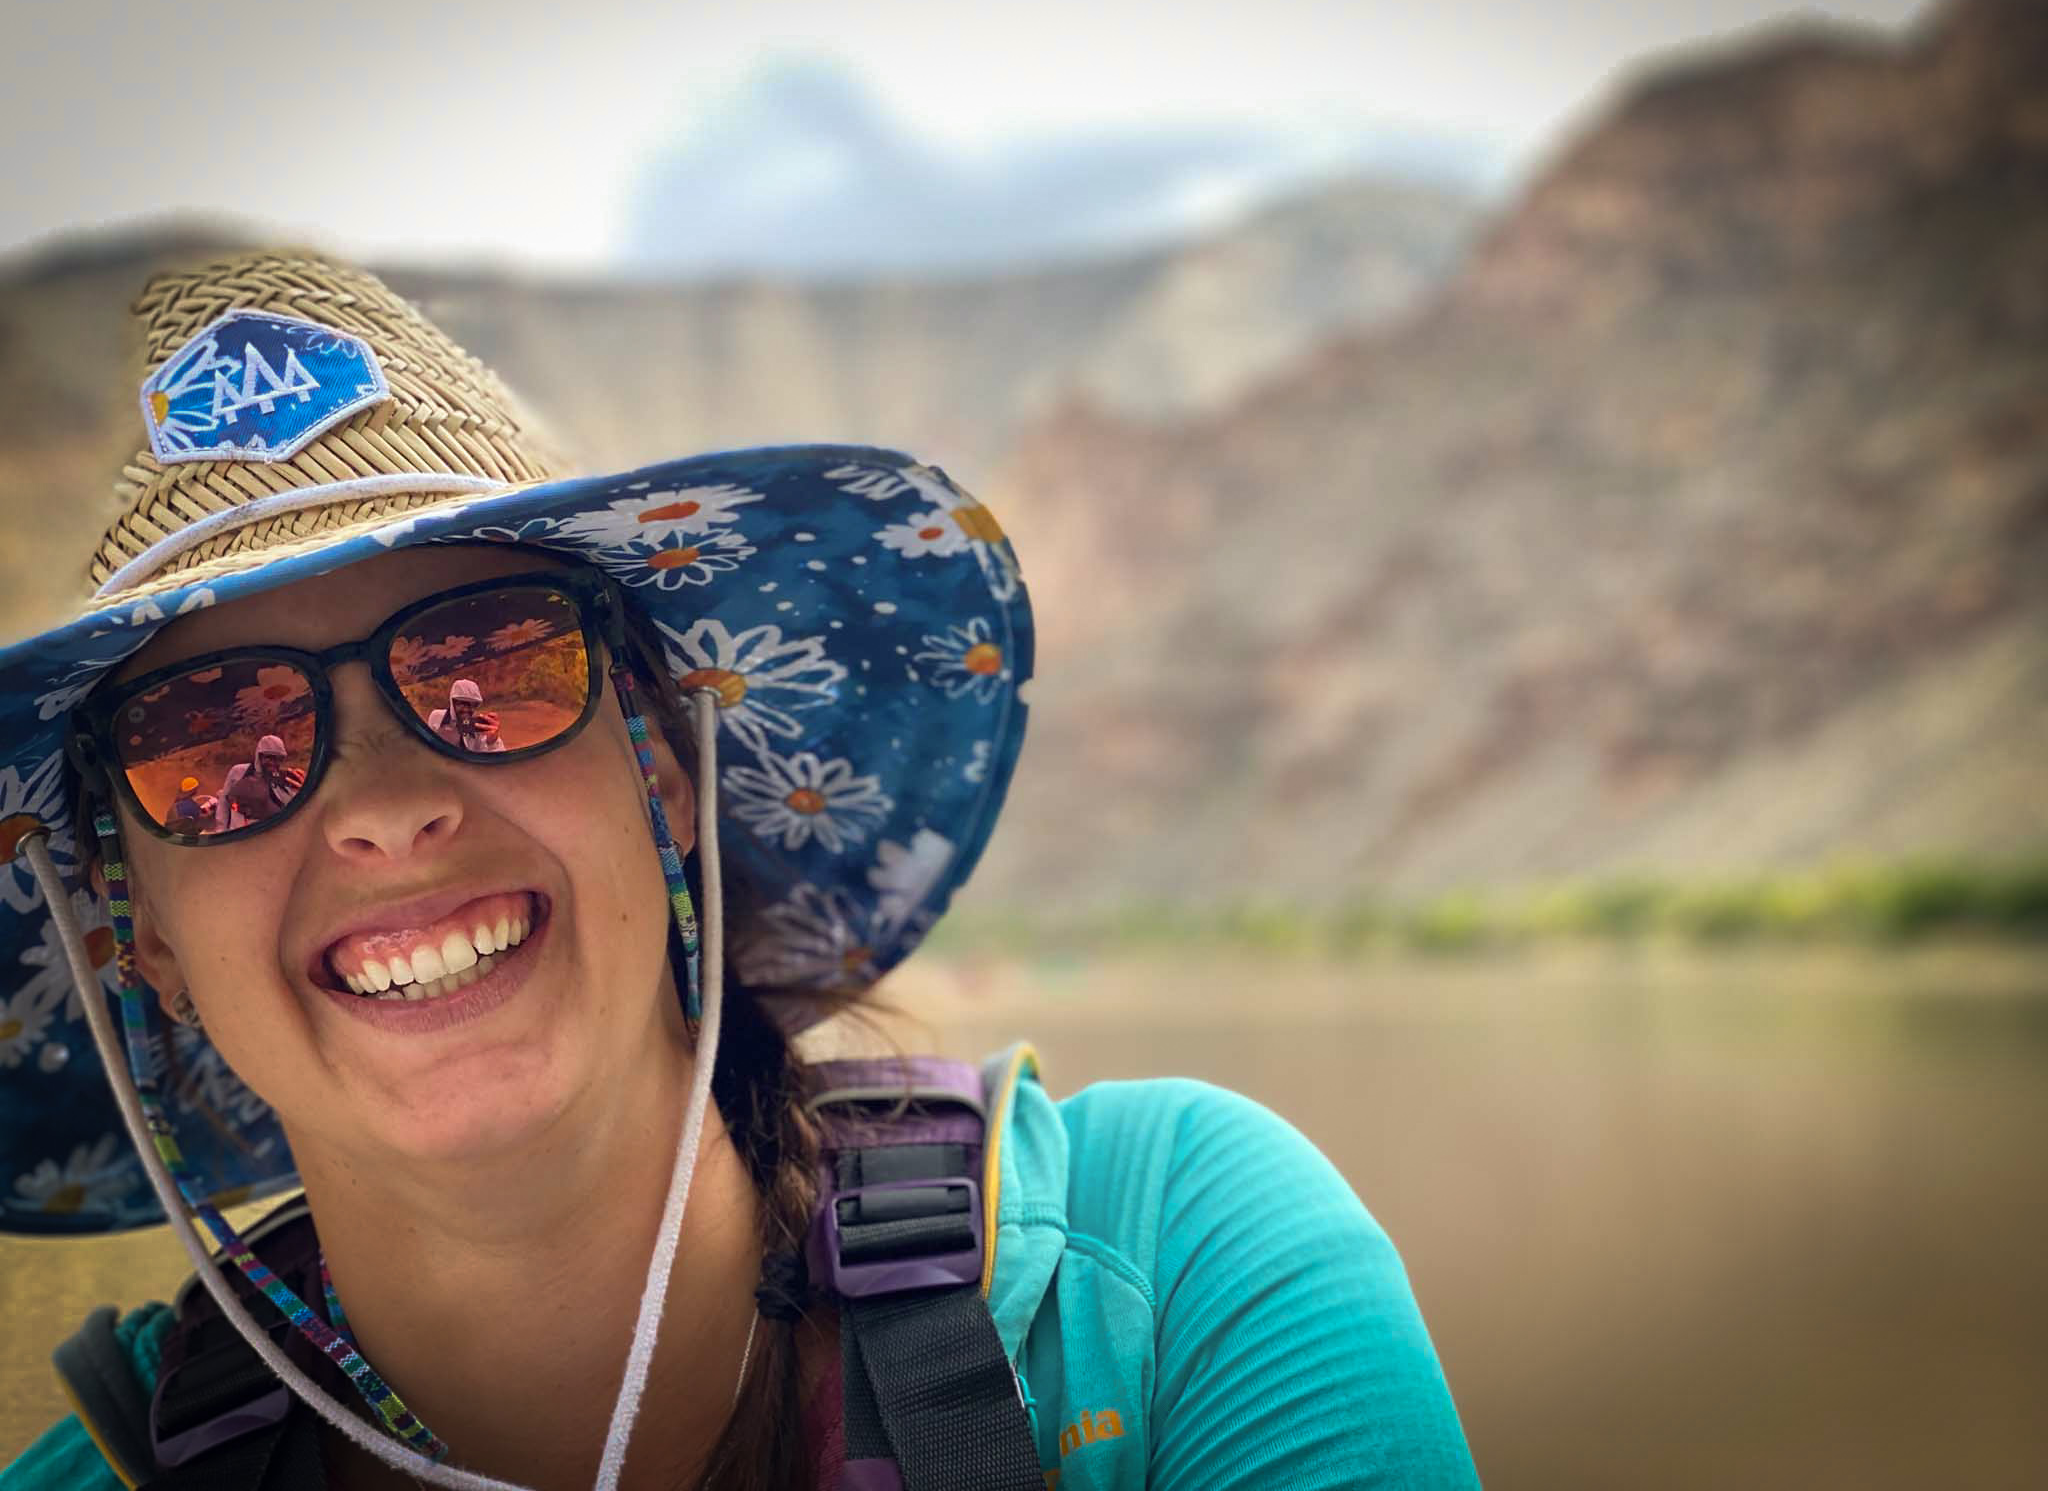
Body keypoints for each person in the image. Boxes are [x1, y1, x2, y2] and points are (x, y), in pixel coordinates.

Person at [0, 252, 1478, 1490]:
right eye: (218, 745)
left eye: (494, 668)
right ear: (141, 938)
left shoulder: (1170, 1275)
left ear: (664, 771)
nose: (381, 811)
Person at [214, 734, 308, 831]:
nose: (273, 762)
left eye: (278, 758)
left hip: (263, 836)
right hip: (235, 834)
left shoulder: (281, 783)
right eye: (269, 757)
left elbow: (291, 812)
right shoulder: (238, 772)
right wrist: (221, 830)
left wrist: (303, 792)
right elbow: (224, 801)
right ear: (259, 755)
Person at [428, 678, 506, 753]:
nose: (466, 709)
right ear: (453, 702)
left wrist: (493, 742)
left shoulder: (477, 727)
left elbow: (496, 760)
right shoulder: (437, 717)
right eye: (462, 704)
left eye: (473, 705)